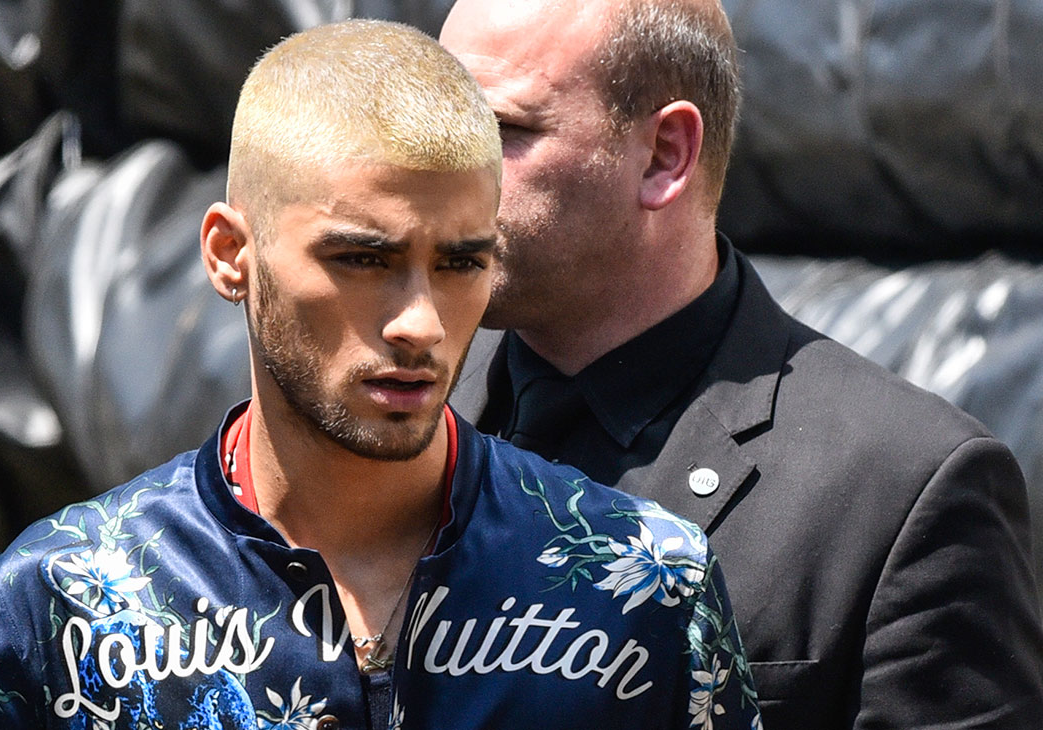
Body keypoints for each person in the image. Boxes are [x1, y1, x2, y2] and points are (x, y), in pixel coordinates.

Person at [0, 19, 760, 730]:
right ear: (231, 254)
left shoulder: (641, 587)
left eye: (463, 263)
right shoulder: (63, 600)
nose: (421, 323)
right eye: (364, 258)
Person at [439, 0, 1043, 728]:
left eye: (503, 130)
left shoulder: (906, 491)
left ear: (665, 154)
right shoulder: (394, 407)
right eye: (440, 122)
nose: (440, 169)